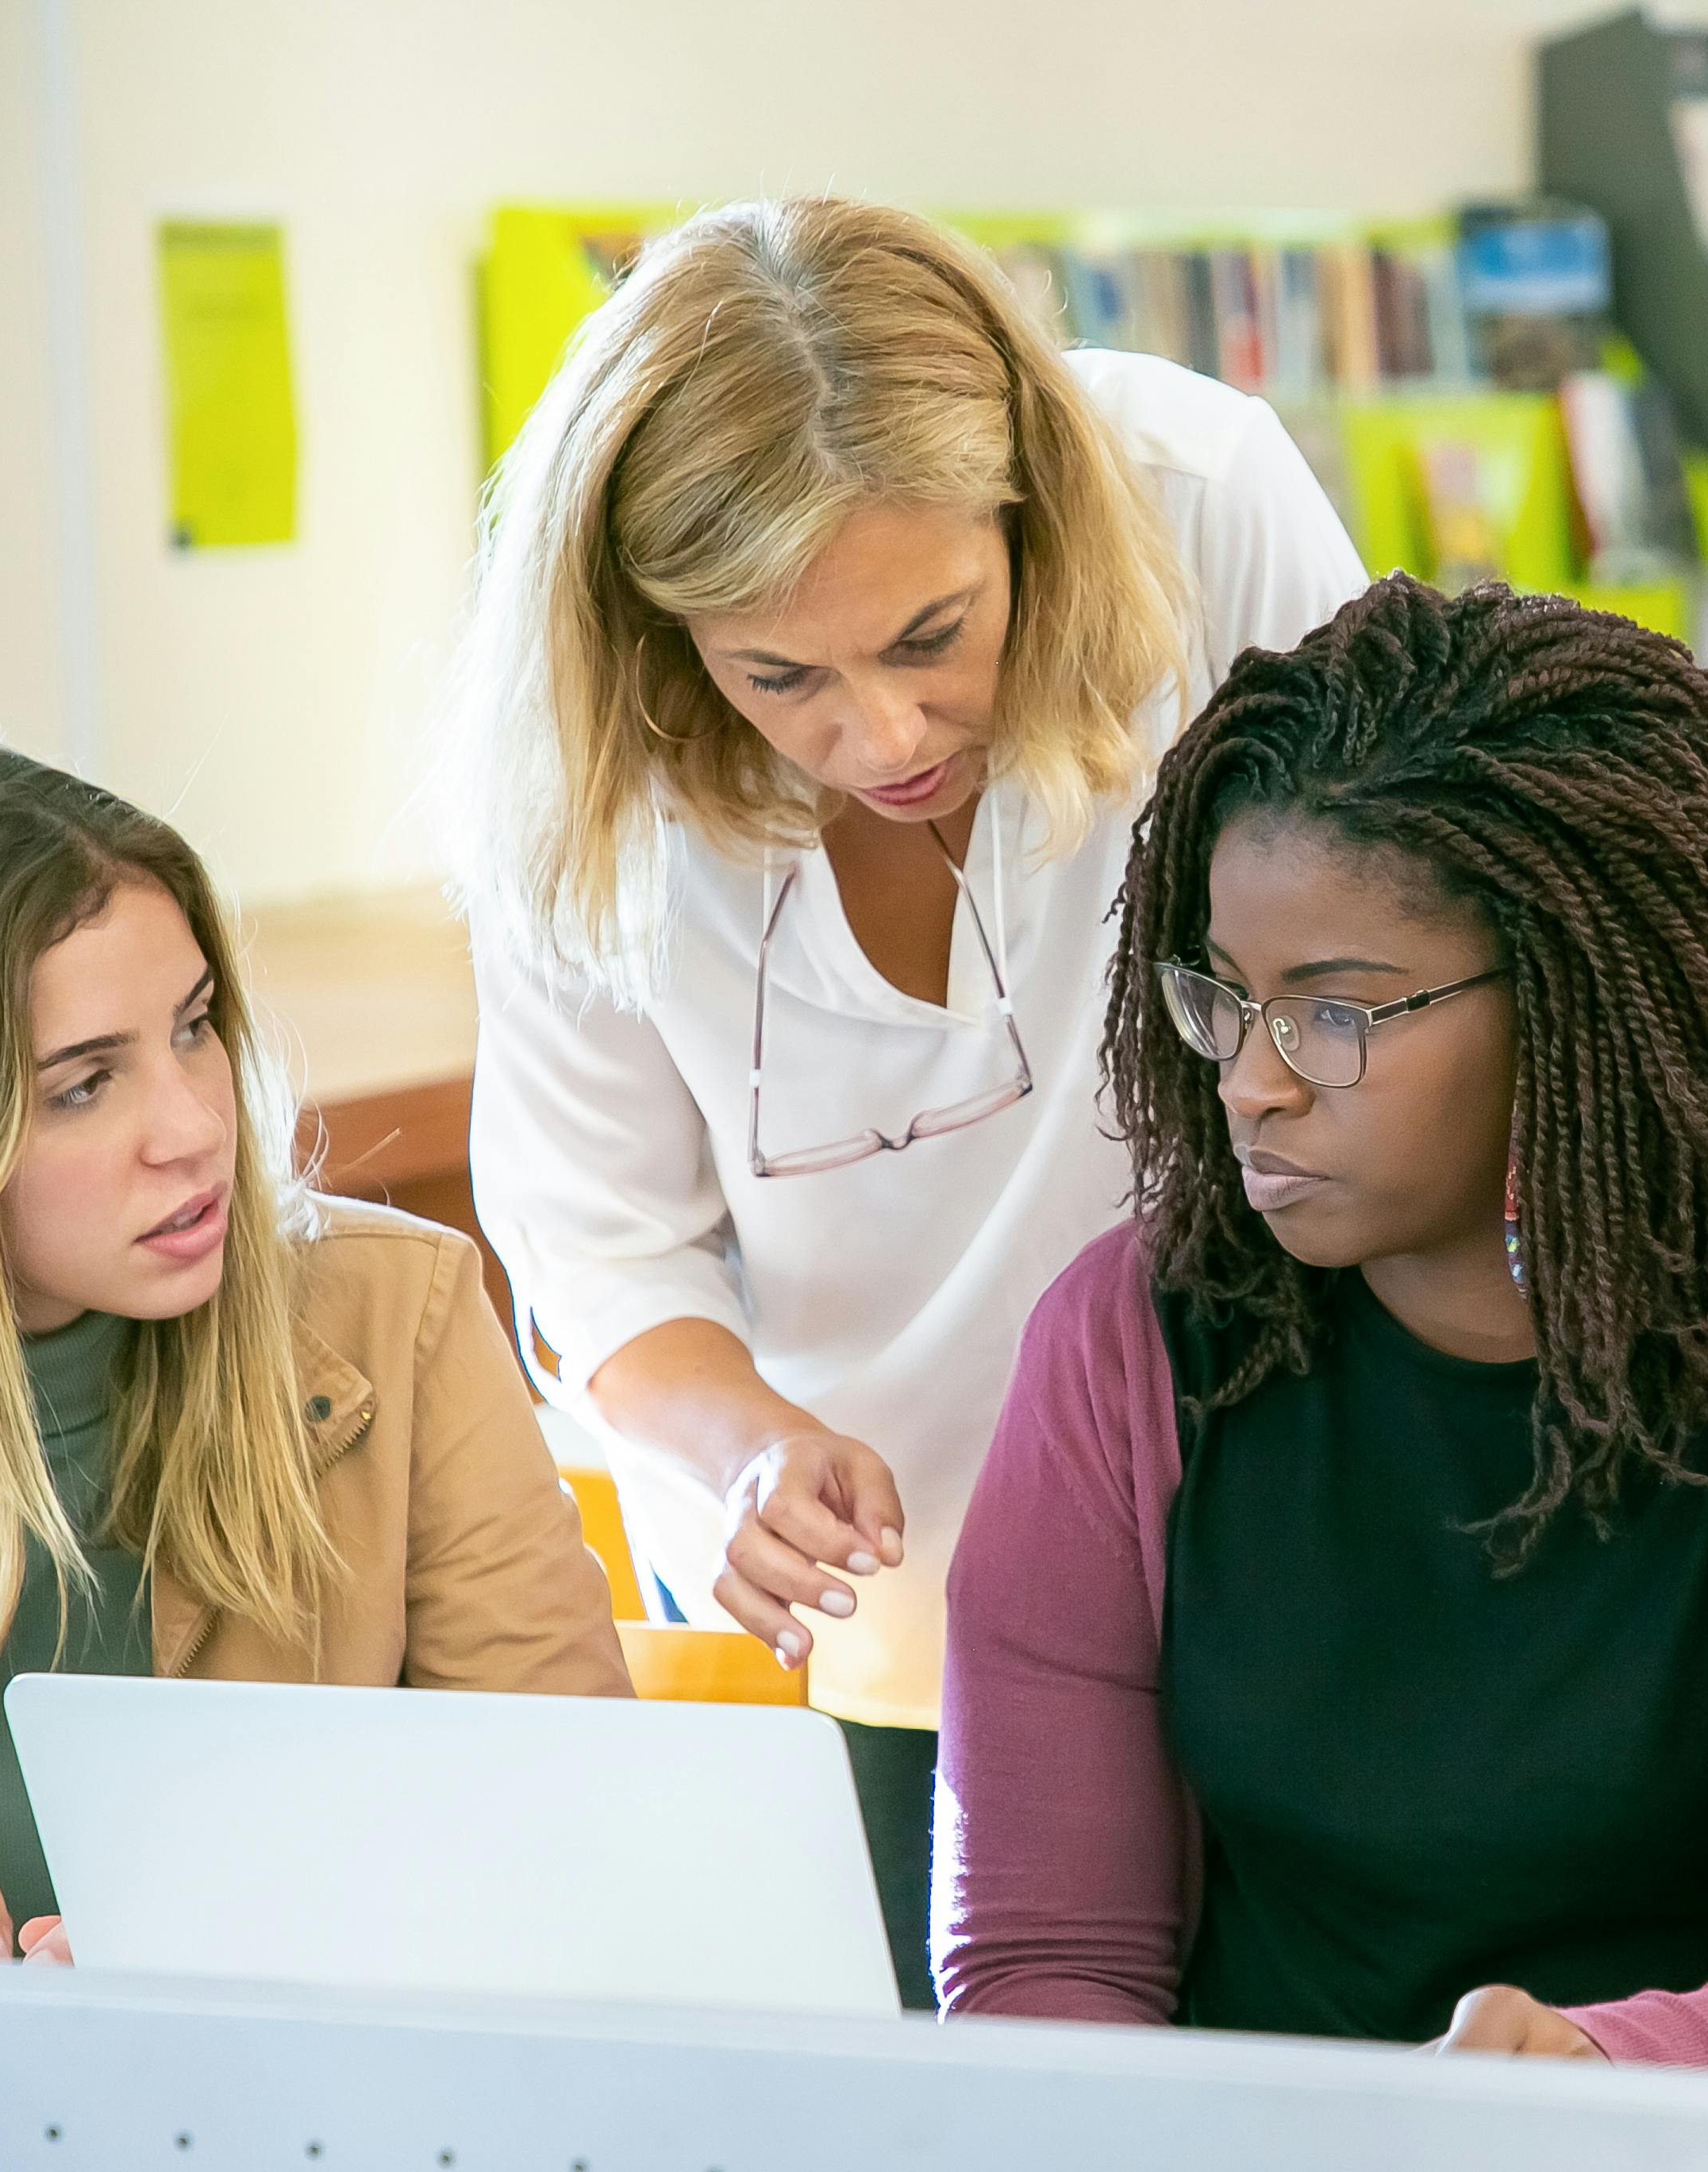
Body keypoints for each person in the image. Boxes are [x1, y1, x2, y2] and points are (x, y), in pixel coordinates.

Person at [937, 577, 1708, 2140]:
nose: (1253, 1086)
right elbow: (1044, 1963)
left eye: (1335, 1013)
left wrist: (1599, 2086)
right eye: (1223, 999)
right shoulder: (1125, 1350)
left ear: (1577, 999)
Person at [444, 196, 1366, 2006]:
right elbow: (601, 1241)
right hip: (877, 1625)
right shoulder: (583, 769)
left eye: (934, 630)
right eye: (778, 673)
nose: (881, 733)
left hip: (1294, 1535)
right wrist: (736, 1457)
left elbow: (1389, 960)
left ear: (1033, 505)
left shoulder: (1201, 499)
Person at [0, 733, 626, 1962]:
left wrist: (270, 1950)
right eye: (85, 1085)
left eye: (194, 1028)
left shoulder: (398, 1318)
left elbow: (588, 1854)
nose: (196, 1126)